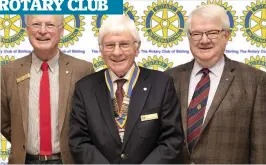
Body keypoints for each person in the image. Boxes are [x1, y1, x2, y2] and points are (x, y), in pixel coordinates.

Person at [68, 15, 184, 164]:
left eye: (124, 44)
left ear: (137, 48)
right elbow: (79, 141)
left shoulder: (161, 84)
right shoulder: (84, 88)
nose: (117, 52)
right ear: (101, 50)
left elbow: (172, 139)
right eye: (110, 45)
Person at [166, 4, 266, 164]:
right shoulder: (168, 78)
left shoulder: (255, 80)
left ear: (226, 35)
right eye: (197, 34)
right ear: (189, 37)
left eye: (212, 33)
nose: (204, 40)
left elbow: (261, 148)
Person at [1, 15, 94, 164]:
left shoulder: (83, 70)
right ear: (27, 30)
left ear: (62, 30)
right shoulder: (9, 71)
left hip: (68, 161)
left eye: (50, 25)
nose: (42, 31)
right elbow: (4, 121)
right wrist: (22, 140)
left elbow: (91, 121)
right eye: (36, 24)